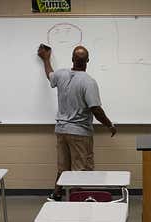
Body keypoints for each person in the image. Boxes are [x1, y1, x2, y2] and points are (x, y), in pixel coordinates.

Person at [37, 44, 117, 201]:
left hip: (61, 130)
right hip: (79, 133)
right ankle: (77, 201)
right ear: (88, 61)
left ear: (72, 59)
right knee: (80, 170)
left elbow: (50, 75)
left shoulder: (61, 74)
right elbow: (96, 109)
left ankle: (56, 194)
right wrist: (109, 125)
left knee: (63, 166)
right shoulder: (88, 82)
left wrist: (46, 59)